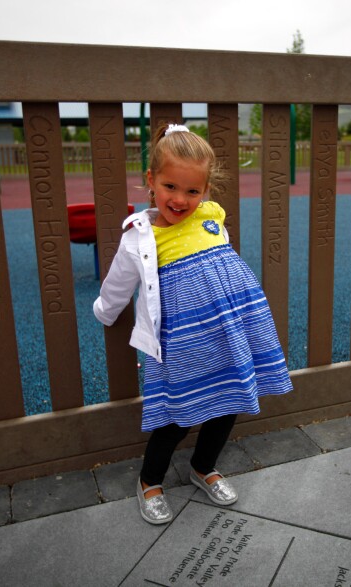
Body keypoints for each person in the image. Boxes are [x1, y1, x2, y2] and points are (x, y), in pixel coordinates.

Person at [93, 123, 293, 524]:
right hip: (182, 343)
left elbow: (222, 264)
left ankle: (203, 467)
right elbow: (118, 284)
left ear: (206, 192)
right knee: (174, 415)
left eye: (192, 191)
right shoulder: (140, 236)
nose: (180, 199)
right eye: (170, 187)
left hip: (229, 332)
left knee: (228, 402)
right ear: (150, 181)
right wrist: (105, 311)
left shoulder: (212, 216)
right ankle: (150, 480)